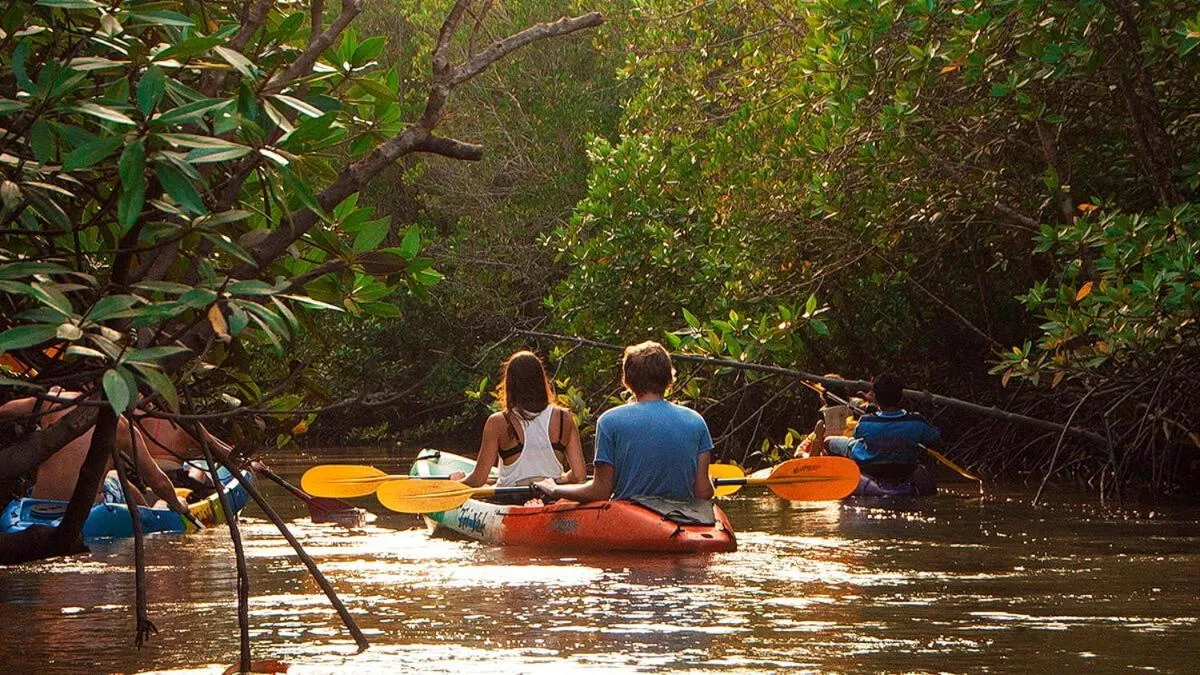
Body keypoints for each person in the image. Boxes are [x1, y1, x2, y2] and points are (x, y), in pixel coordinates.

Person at [534, 341, 715, 503]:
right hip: (683, 519)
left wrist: (556, 490)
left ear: (627, 381)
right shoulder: (696, 421)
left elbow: (601, 490)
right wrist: (711, 483)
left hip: (632, 520)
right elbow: (703, 492)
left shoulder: (610, 421)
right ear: (669, 378)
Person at [0, 390, 189, 514]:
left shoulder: (53, 401)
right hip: (85, 510)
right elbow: (158, 482)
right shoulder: (120, 424)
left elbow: (6, 410)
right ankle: (146, 516)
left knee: (112, 476)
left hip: (37, 503)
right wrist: (176, 503)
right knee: (116, 477)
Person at [452, 350, 586, 492]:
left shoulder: (498, 422)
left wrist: (455, 483)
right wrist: (561, 479)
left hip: (508, 499)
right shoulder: (564, 417)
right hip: (551, 497)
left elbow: (478, 480)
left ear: (510, 384)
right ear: (541, 380)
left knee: (480, 484)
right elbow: (579, 475)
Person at [813, 373, 940, 467]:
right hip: (903, 463)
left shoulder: (866, 421)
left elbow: (857, 435)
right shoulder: (917, 421)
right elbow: (934, 436)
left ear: (876, 397)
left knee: (828, 441)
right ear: (901, 397)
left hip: (870, 463)